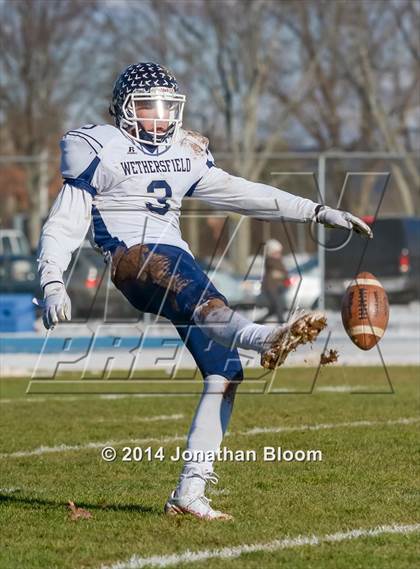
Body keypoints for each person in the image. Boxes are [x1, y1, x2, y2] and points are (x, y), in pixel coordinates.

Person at [37, 62, 372, 521]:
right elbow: (64, 221)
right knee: (187, 284)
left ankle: (189, 492)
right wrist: (52, 279)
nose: (160, 116)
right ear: (123, 108)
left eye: (167, 106)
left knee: (225, 371)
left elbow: (242, 192)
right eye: (148, 105)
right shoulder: (98, 147)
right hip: (133, 260)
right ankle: (264, 337)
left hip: (179, 262)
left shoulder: (185, 151)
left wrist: (314, 211)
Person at [258, 239, 289, 323]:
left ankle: (259, 322)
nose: (279, 254)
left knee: (274, 309)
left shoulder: (278, 261)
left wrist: (283, 276)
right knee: (278, 307)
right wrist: (282, 275)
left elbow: (284, 274)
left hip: (278, 288)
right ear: (271, 253)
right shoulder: (271, 261)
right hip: (272, 289)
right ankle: (281, 322)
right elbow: (279, 274)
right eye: (277, 252)